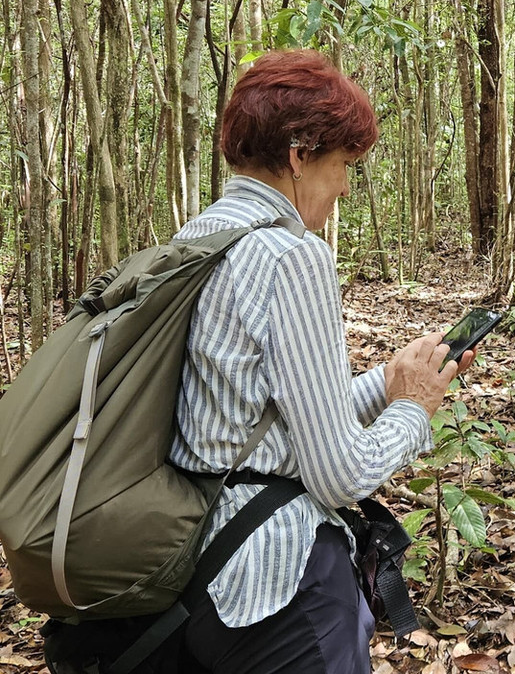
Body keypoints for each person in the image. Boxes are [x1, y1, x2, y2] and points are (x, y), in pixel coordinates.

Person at [168, 49, 470, 673]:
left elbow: (260, 420)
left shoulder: (196, 239)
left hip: (195, 570)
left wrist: (388, 382)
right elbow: (341, 474)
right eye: (344, 165)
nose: (345, 188)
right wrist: (414, 411)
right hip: (278, 583)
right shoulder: (291, 257)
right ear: (300, 155)